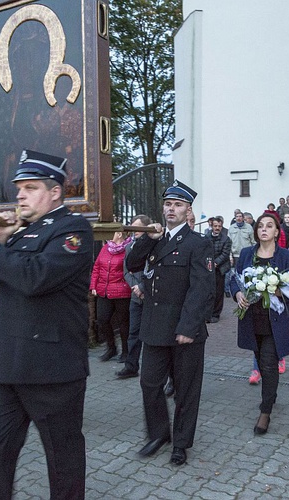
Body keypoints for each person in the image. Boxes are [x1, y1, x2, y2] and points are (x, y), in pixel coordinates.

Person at [0, 150, 93, 499]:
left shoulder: (73, 229)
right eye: (19, 187)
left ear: (55, 192)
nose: (19, 194)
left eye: (31, 187)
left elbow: (36, 278)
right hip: (5, 363)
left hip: (50, 368)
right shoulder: (19, 234)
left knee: (62, 457)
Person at [125, 180, 215, 466]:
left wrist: (188, 327)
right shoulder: (156, 239)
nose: (171, 209)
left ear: (188, 209)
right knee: (149, 383)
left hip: (183, 329)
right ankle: (159, 433)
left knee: (186, 390)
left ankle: (181, 443)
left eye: (177, 204)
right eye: (167, 204)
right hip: (154, 326)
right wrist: (148, 238)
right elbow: (132, 264)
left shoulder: (199, 243)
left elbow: (202, 289)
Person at [231, 212, 289, 435]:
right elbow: (235, 278)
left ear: (277, 232)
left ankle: (265, 412)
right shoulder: (247, 254)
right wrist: (238, 293)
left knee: (269, 363)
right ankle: (272, 394)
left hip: (275, 319)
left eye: (269, 226)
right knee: (260, 358)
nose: (264, 229)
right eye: (261, 226)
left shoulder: (286, 257)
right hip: (252, 317)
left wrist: (279, 290)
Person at [117, 215, 151, 379]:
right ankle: (131, 366)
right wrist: (135, 288)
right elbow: (125, 271)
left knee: (152, 335)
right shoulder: (129, 247)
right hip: (135, 297)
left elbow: (153, 271)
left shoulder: (153, 246)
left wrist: (143, 287)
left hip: (151, 297)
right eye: (133, 226)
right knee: (133, 334)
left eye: (138, 227)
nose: (135, 230)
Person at [91, 231, 133, 362]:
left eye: (112, 232)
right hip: (104, 290)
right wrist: (93, 286)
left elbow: (130, 270)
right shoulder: (105, 248)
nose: (108, 234)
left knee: (123, 323)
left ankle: (126, 352)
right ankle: (111, 348)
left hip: (122, 291)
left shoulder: (128, 249)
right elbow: (97, 267)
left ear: (119, 234)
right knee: (102, 320)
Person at [208, 217, 232, 323]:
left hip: (220, 269)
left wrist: (215, 263)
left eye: (219, 226)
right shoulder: (206, 237)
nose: (217, 228)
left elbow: (225, 254)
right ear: (212, 226)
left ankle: (216, 314)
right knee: (208, 291)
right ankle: (207, 313)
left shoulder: (226, 239)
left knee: (218, 292)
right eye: (215, 226)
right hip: (207, 268)